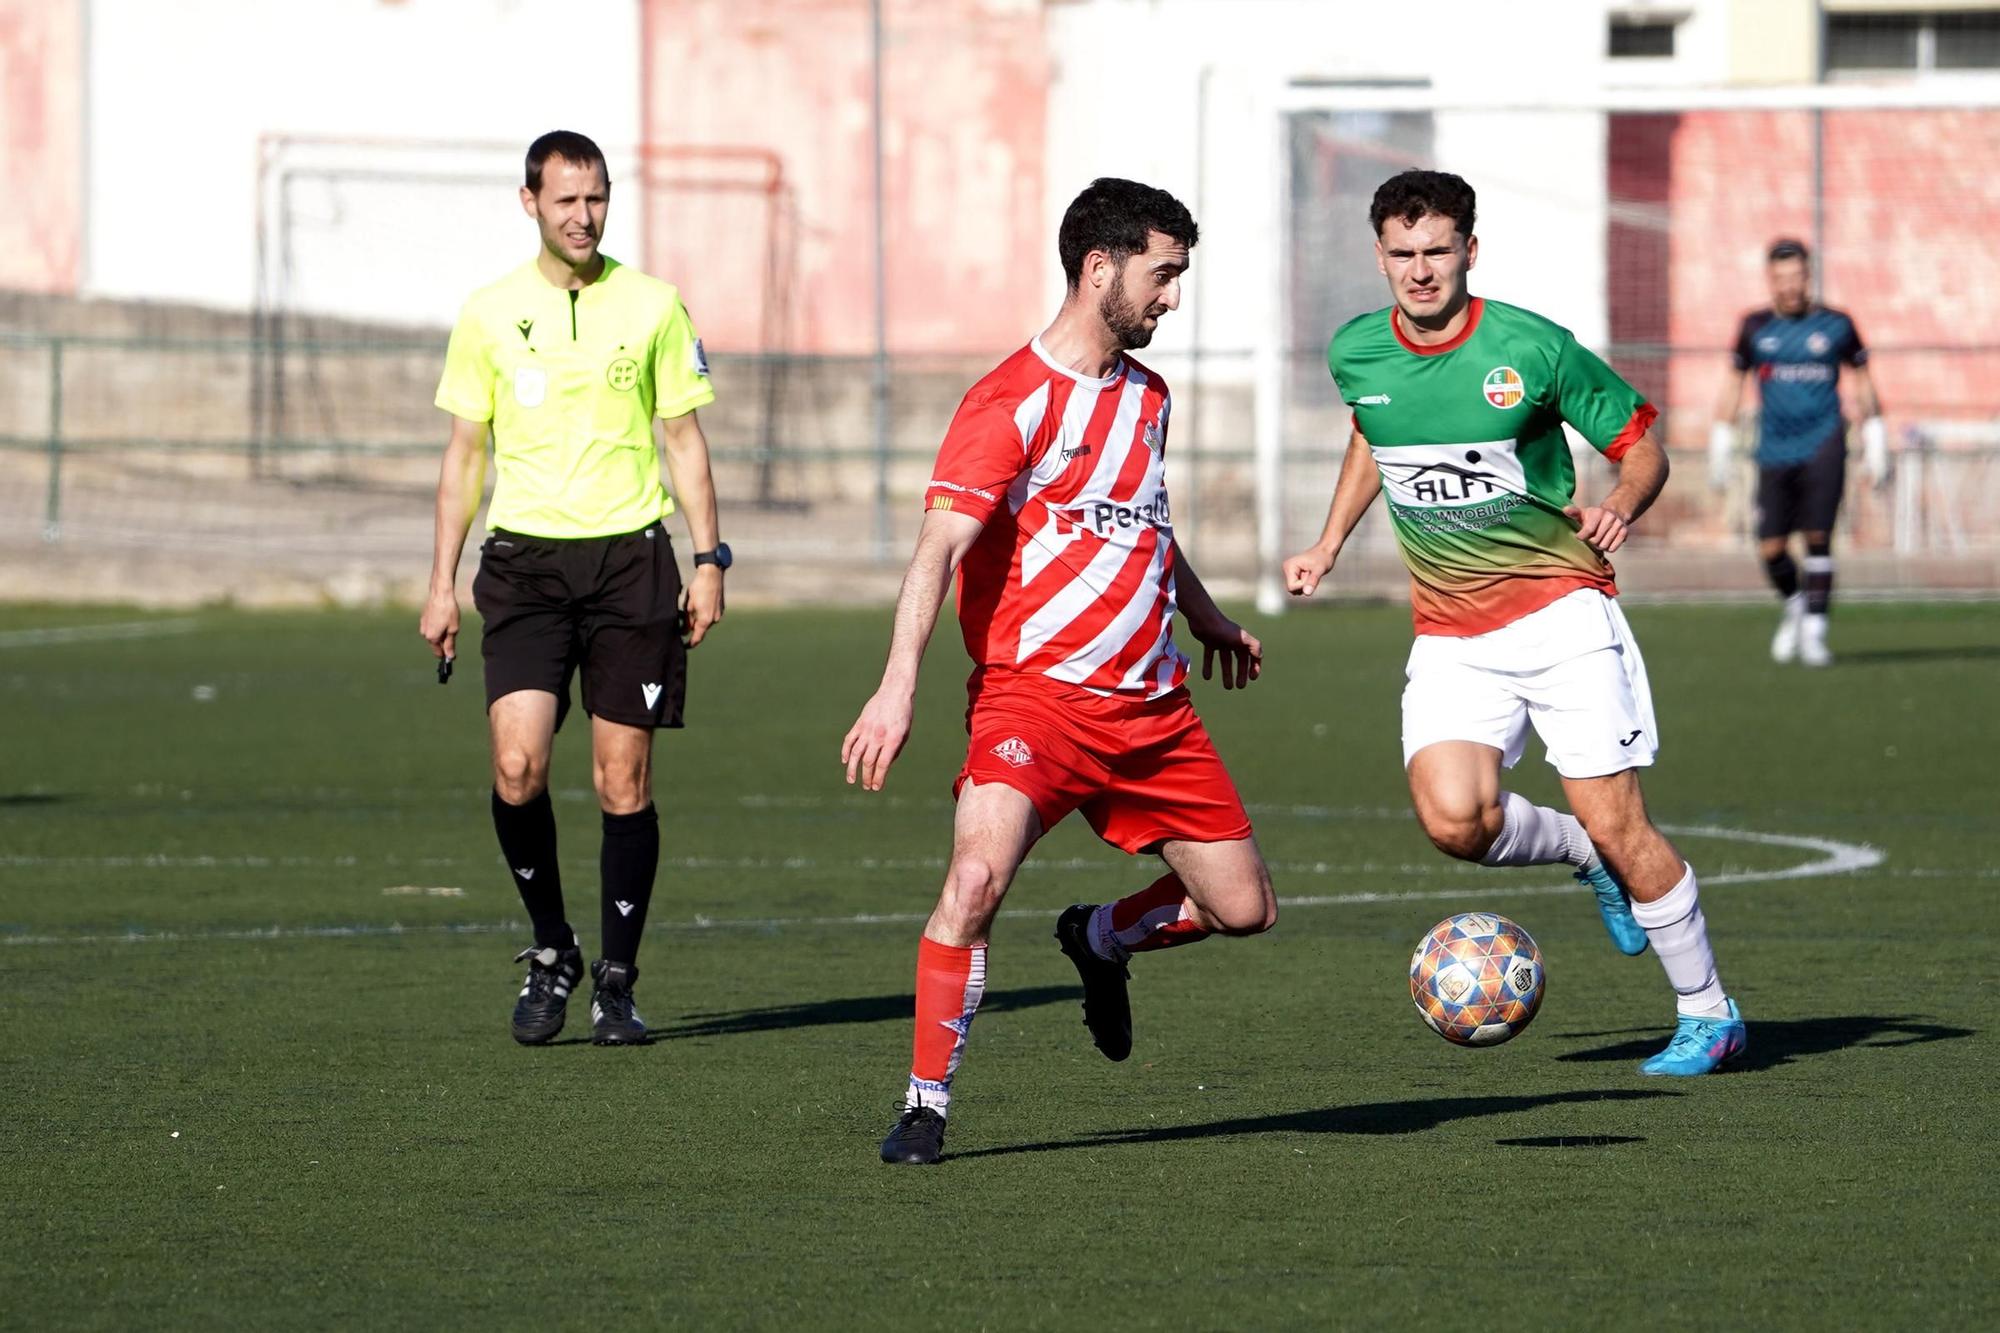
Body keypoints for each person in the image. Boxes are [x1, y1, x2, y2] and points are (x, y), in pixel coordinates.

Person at [841, 178, 1275, 1166]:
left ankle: (1102, 937)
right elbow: (937, 552)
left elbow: (1146, 529)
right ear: (1099, 267)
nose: (1170, 298)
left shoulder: (1149, 399)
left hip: (1153, 708)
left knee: (1241, 909)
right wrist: (895, 682)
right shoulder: (1007, 402)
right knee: (975, 877)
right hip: (1032, 701)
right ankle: (923, 1102)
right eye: (1162, 276)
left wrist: (1204, 616)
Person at [1283, 169, 1745, 1077]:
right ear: (1379, 256)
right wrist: (1328, 542)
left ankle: (1709, 1010)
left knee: (1624, 823)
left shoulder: (1533, 348)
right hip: (1451, 634)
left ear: (1470, 251)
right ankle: (1584, 857)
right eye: (1403, 254)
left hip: (1561, 616)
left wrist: (1622, 502)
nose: (1421, 271)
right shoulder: (1358, 353)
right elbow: (1372, 435)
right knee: (1455, 820)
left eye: (1438, 252)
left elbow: (1643, 441)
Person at [420, 130, 730, 1047]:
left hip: (631, 565)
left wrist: (709, 560)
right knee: (516, 767)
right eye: (565, 200)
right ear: (530, 203)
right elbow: (463, 455)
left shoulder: (654, 305)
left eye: (595, 198)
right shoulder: (486, 313)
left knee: (620, 781)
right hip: (522, 566)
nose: (584, 216)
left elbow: (683, 440)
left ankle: (618, 982)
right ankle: (553, 949)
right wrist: (440, 582)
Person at [1709, 239, 1884, 667]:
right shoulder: (1754, 327)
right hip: (1773, 449)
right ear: (1770, 280)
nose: (1789, 286)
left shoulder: (1837, 324)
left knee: (1818, 537)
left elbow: (1861, 378)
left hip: (1824, 443)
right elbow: (1733, 383)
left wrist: (1876, 430)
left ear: (1808, 276)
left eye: (1797, 276)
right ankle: (1796, 604)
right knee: (1770, 547)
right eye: (1780, 278)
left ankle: (1815, 632)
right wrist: (1720, 436)